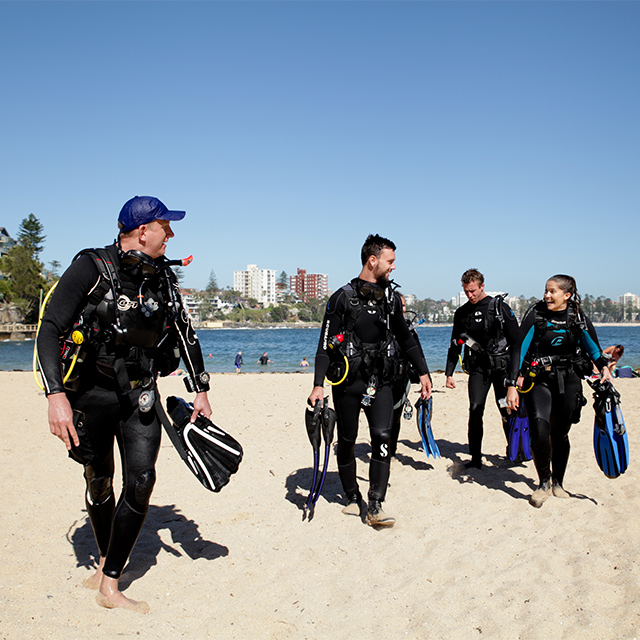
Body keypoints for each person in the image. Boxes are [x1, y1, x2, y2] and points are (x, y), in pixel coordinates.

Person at [37, 196, 212, 613]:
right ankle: (103, 560)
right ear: (142, 231)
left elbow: (185, 333)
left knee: (142, 480)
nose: (170, 235)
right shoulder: (91, 268)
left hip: (140, 394)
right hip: (90, 395)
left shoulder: (162, 279)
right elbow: (49, 329)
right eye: (165, 227)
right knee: (99, 481)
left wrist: (200, 388)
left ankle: (110, 582)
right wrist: (55, 396)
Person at [308, 234, 432, 527]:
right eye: (390, 262)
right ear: (372, 260)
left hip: (381, 380)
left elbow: (405, 336)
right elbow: (325, 346)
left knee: (383, 438)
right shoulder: (341, 298)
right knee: (348, 441)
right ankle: (352, 497)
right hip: (349, 384)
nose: (393, 268)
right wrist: (317, 385)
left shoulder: (391, 297)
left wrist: (424, 373)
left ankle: (375, 503)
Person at [506, 274, 611, 508]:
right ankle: (543, 483)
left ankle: (558, 483)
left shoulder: (577, 317)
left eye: (552, 291)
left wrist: (604, 368)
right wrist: (512, 384)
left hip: (569, 378)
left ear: (567, 295)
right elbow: (518, 350)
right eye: (546, 290)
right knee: (540, 430)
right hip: (539, 380)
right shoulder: (536, 315)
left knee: (561, 433)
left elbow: (593, 348)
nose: (547, 295)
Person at [445, 269, 519, 469]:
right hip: (478, 369)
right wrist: (449, 372)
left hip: (502, 370)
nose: (470, 295)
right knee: (475, 410)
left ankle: (514, 452)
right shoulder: (462, 313)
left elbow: (517, 341)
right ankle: (475, 459)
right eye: (466, 291)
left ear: (482, 286)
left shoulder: (499, 307)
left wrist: (517, 373)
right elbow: (455, 344)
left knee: (507, 409)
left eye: (473, 290)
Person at [389, 294, 428, 458]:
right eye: (400, 305)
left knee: (396, 416)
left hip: (402, 377)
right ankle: (383, 448)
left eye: (404, 305)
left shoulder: (409, 329)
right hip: (383, 378)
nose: (403, 309)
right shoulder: (381, 326)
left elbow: (418, 354)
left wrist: (425, 378)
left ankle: (391, 451)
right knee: (383, 416)